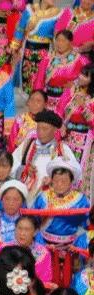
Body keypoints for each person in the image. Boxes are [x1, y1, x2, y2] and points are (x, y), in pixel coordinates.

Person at [31, 158, 91, 249]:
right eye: (56, 181)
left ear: (71, 182)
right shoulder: (43, 197)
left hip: (71, 246)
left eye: (64, 181)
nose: (59, 184)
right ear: (51, 180)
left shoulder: (80, 200)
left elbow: (88, 225)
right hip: (44, 244)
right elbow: (33, 221)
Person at [13, 110, 79, 192]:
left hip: (51, 197)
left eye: (45, 129)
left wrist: (54, 180)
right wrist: (24, 170)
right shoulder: (27, 145)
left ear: (55, 130)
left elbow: (74, 174)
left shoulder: (63, 150)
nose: (40, 132)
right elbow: (11, 165)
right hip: (27, 197)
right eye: (38, 128)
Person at [12, 0, 67, 95]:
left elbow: (57, 34)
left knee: (40, 75)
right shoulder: (29, 10)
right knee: (27, 73)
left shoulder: (57, 13)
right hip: (28, 47)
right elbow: (20, 28)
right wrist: (14, 45)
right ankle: (29, 98)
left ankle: (38, 97)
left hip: (45, 50)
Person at [35, 30, 90, 114]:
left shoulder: (80, 60)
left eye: (63, 40)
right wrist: (37, 99)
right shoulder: (48, 58)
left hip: (67, 101)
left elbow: (89, 79)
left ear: (70, 42)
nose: (59, 43)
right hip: (47, 98)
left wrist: (75, 84)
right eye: (58, 40)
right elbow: (39, 80)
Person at [61, 65, 94, 197]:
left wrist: (84, 108)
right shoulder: (71, 91)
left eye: (85, 75)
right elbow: (60, 110)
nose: (80, 76)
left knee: (80, 175)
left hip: (85, 144)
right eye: (81, 73)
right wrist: (61, 126)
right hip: (67, 140)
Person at [0, 215, 53, 284]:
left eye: (27, 229)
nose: (22, 233)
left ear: (35, 232)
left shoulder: (43, 253)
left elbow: (45, 281)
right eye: (19, 228)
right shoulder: (3, 248)